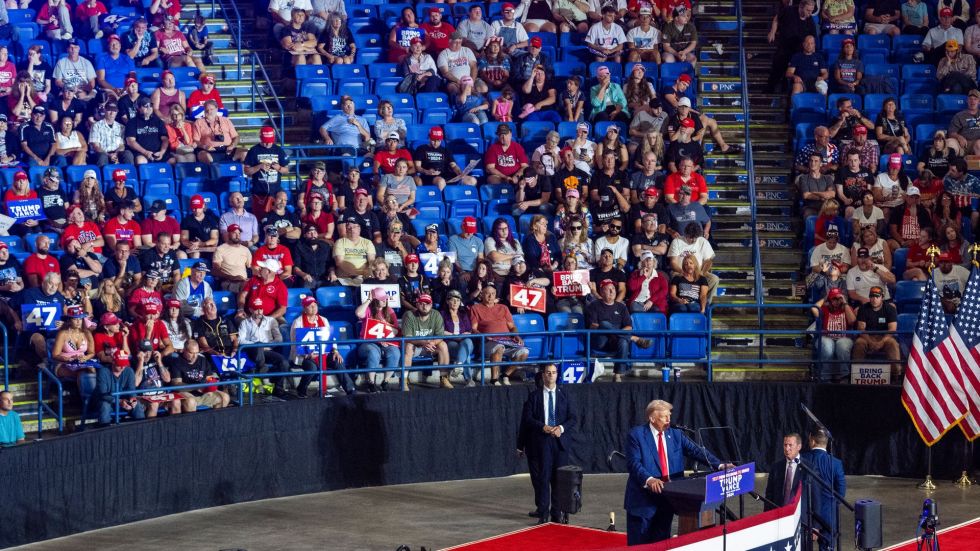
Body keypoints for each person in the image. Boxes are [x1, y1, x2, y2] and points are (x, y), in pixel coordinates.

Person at [624, 399, 726, 545]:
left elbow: (696, 451)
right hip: (643, 501)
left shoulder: (675, 434)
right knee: (640, 545)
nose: (668, 420)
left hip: (668, 498)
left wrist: (720, 465)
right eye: (664, 417)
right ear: (652, 418)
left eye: (669, 416)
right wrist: (649, 479)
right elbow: (634, 463)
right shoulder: (637, 435)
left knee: (662, 543)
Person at [518, 363, 575, 524]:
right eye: (548, 373)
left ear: (557, 375)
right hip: (541, 443)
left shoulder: (565, 395)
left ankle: (557, 514)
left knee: (559, 480)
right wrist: (542, 426)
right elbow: (527, 419)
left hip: (559, 443)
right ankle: (543, 514)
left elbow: (573, 418)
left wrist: (561, 428)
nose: (551, 375)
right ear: (543, 376)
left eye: (553, 372)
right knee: (542, 479)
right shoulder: (534, 396)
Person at [586, 279, 652, 382]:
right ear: (602, 292)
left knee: (623, 341)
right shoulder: (594, 305)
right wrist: (608, 329)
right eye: (608, 289)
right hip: (600, 340)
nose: (612, 292)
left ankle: (617, 375)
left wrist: (616, 334)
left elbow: (629, 326)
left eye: (613, 289)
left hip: (615, 341)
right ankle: (633, 338)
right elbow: (593, 326)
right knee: (604, 324)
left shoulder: (621, 306)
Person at [289, 295, 351, 396]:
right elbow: (294, 343)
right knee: (312, 367)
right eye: (310, 306)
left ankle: (350, 389)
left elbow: (330, 338)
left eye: (315, 305)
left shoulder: (324, 320)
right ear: (304, 308)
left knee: (338, 361)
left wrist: (335, 351)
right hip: (305, 356)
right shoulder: (298, 322)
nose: (314, 308)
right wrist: (306, 354)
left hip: (324, 353)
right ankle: (301, 389)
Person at [470, 285, 528, 385]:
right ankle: (494, 380)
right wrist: (484, 336)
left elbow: (512, 327)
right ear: (482, 294)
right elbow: (473, 329)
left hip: (507, 342)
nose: (490, 296)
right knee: (499, 347)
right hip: (487, 342)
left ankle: (505, 375)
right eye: (487, 293)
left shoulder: (503, 308)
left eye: (493, 294)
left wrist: (517, 336)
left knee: (524, 352)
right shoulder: (476, 308)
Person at [238, 296, 292, 398]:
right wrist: (256, 344)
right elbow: (241, 340)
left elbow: (279, 339)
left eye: (261, 309)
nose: (259, 311)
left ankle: (278, 389)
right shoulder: (245, 323)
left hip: (267, 350)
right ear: (250, 309)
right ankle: (263, 372)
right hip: (251, 352)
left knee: (284, 362)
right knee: (258, 345)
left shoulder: (271, 321)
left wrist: (266, 345)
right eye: (256, 309)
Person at [801, 429, 846, 551]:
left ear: (812, 440)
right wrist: (831, 504)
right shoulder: (836, 463)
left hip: (807, 515)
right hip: (828, 514)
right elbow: (841, 492)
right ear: (826, 442)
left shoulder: (803, 459)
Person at [356, 286, 402, 392]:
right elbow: (358, 313)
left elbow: (395, 330)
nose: (385, 300)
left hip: (386, 342)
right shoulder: (368, 309)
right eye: (382, 299)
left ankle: (385, 381)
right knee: (373, 352)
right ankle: (371, 382)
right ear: (375, 300)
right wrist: (368, 300)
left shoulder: (389, 311)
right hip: (368, 342)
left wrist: (387, 327)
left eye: (385, 298)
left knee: (395, 352)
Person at [402, 293, 451, 390]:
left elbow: (440, 335)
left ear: (431, 305)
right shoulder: (409, 315)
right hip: (415, 347)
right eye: (422, 303)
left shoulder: (436, 314)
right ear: (417, 304)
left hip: (430, 346)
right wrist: (425, 342)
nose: (425, 306)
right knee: (408, 346)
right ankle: (404, 379)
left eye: (427, 304)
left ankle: (444, 378)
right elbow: (407, 337)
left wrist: (433, 343)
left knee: (443, 345)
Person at [852, 286, 901, 380]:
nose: (874, 299)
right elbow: (861, 328)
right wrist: (870, 341)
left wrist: (882, 342)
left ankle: (896, 375)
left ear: (882, 297)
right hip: (867, 336)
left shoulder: (890, 309)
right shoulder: (863, 308)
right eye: (872, 296)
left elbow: (892, 329)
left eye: (877, 297)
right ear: (869, 297)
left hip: (885, 336)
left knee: (893, 343)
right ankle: (856, 374)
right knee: (859, 343)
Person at [169, 339, 230, 410]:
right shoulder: (177, 362)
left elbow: (209, 378)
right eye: (191, 353)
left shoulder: (202, 360)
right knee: (190, 402)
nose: (195, 356)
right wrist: (197, 387)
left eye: (196, 353)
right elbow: (176, 385)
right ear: (184, 350)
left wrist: (209, 386)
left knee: (225, 397)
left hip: (202, 390)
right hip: (186, 391)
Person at [811, 288, 856, 383]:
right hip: (827, 337)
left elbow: (852, 320)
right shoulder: (825, 309)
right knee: (827, 347)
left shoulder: (847, 308)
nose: (836, 301)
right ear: (830, 300)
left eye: (838, 299)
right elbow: (814, 308)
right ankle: (825, 377)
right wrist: (825, 297)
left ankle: (844, 376)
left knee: (842, 346)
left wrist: (845, 303)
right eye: (833, 299)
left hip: (844, 337)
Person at [91, 350, 146, 426]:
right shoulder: (103, 372)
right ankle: (105, 434)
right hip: (107, 402)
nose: (122, 367)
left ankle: (142, 432)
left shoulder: (129, 371)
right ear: (113, 361)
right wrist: (119, 401)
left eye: (124, 364)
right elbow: (103, 394)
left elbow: (132, 390)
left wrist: (133, 399)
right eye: (120, 364)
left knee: (138, 406)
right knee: (104, 406)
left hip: (123, 401)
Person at [764, 433, 805, 510]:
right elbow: (769, 495)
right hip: (779, 515)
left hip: (799, 516)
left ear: (799, 446)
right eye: (785, 445)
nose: (787, 448)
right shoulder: (776, 467)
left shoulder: (808, 468)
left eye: (790, 445)